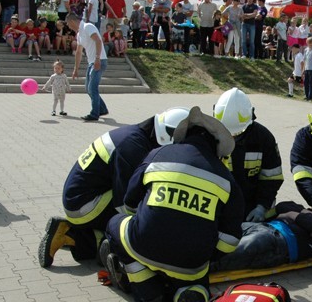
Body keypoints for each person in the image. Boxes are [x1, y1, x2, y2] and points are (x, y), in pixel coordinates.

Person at [102, 106, 243, 301]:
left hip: (143, 245)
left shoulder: (158, 155)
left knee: (115, 221)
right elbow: (230, 239)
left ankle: (147, 288)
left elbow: (130, 202)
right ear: (217, 148)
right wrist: (205, 254)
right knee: (194, 277)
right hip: (191, 264)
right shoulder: (227, 179)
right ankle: (193, 291)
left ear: (184, 136)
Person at [38, 106, 190, 268]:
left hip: (83, 197)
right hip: (84, 206)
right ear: (165, 136)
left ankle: (70, 234)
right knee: (127, 232)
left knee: (107, 238)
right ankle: (71, 233)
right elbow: (124, 201)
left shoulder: (137, 135)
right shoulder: (132, 147)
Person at [211, 200, 312, 272]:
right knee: (211, 235)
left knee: (221, 256)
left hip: (276, 243)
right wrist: (300, 214)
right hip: (265, 228)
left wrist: (294, 214)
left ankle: (188, 268)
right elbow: (285, 205)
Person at [214, 88, 284, 221]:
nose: (232, 137)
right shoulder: (209, 138)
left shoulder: (264, 139)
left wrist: (262, 206)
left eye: (237, 133)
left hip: (254, 206)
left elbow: (272, 179)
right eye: (227, 132)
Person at [68, 13, 109, 121]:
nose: (69, 27)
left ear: (71, 21)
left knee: (92, 88)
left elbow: (98, 41)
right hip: (92, 62)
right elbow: (78, 52)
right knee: (88, 88)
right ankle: (102, 109)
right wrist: (75, 69)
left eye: (68, 24)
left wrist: (97, 58)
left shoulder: (88, 27)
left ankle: (94, 114)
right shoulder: (79, 34)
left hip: (99, 60)